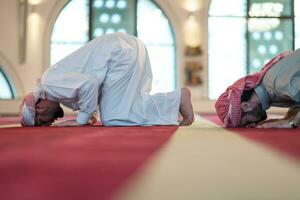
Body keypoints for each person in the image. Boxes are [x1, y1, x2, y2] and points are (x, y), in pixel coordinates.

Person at [19, 33, 194, 127]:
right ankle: (176, 103)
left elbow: (89, 83)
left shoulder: (49, 84)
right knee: (125, 108)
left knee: (113, 117)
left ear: (39, 109)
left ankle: (177, 99)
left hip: (119, 54)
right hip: (128, 48)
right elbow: (90, 87)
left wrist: (80, 120)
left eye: (43, 122)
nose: (51, 122)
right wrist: (90, 115)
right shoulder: (53, 87)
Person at [215, 49, 300, 128]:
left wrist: (291, 123)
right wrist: (288, 117)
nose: (252, 125)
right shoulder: (270, 87)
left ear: (245, 106)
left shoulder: (276, 84)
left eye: (247, 122)